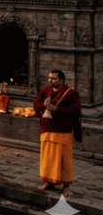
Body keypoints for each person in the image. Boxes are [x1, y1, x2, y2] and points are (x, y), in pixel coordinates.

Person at [33, 70, 82, 198]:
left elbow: (76, 112)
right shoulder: (44, 91)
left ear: (61, 80)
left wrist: (57, 109)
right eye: (49, 78)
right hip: (47, 129)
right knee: (48, 158)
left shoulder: (71, 94)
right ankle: (49, 183)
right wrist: (43, 105)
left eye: (53, 78)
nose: (50, 80)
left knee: (64, 161)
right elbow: (35, 105)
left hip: (63, 131)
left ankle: (66, 187)